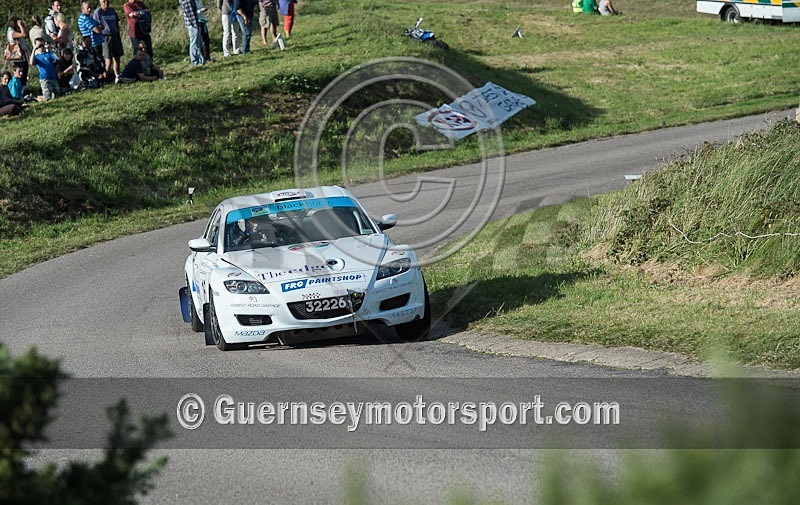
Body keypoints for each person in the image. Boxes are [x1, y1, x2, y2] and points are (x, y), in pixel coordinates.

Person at [94, 0, 125, 80]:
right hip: (105, 36)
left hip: (115, 35)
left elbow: (117, 22)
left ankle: (117, 75)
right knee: (108, 58)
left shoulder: (112, 11)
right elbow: (96, 25)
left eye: (107, 1)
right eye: (104, 1)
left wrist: (117, 32)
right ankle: (106, 76)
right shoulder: (98, 12)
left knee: (117, 56)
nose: (106, 3)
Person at [180, 0, 207, 66]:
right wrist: (196, 25)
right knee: (194, 43)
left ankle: (200, 60)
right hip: (193, 25)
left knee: (197, 43)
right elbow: (191, 15)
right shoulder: (187, 1)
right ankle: (195, 61)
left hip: (194, 24)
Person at [7, 17, 30, 85]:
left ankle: (22, 88)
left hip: (22, 57)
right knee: (20, 73)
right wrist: (20, 25)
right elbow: (23, 34)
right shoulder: (11, 32)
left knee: (24, 72)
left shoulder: (16, 31)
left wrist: (23, 26)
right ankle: (19, 89)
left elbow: (27, 34)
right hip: (18, 57)